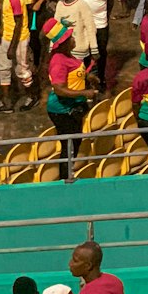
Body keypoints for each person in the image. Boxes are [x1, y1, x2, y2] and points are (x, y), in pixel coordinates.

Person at [44, 17, 97, 177]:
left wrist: (87, 77)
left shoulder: (68, 56)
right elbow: (59, 89)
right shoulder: (59, 61)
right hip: (62, 111)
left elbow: (74, 75)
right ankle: (65, 178)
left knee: (75, 142)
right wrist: (84, 93)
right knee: (69, 147)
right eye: (71, 38)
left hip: (74, 107)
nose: (74, 39)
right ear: (64, 43)